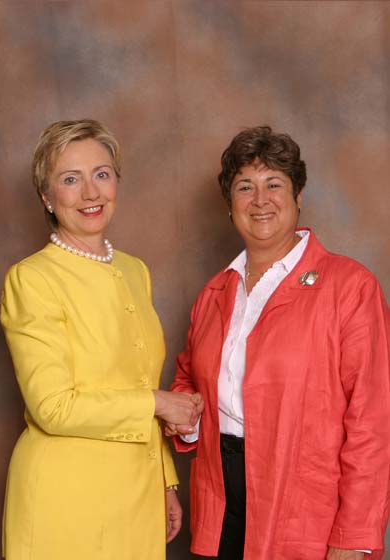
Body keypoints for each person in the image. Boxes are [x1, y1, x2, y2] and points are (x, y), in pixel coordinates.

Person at [166, 126, 390, 560]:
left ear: (298, 194)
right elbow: (189, 379)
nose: (260, 199)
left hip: (306, 508)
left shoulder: (349, 287)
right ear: (230, 205)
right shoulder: (215, 293)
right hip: (221, 500)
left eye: (274, 184)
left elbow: (372, 422)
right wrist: (186, 414)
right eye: (245, 187)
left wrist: (354, 535)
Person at [0, 119, 203, 560]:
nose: (91, 193)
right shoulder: (31, 280)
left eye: (102, 174)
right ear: (46, 196)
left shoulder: (135, 270)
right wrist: (159, 403)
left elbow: (137, 378)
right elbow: (53, 408)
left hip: (136, 494)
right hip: (66, 500)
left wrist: (164, 480)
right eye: (70, 180)